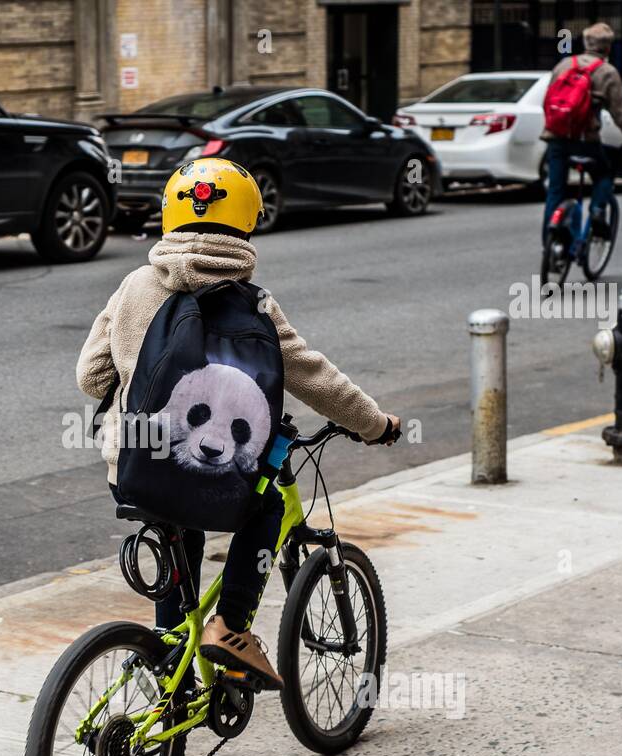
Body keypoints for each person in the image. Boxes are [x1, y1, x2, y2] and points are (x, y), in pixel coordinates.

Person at [76, 157, 400, 690]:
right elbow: (316, 378)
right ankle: (230, 626)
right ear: (249, 220)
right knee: (266, 506)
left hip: (134, 469)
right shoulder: (256, 305)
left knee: (177, 534)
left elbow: (91, 377)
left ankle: (170, 672)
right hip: (214, 477)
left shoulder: (134, 286)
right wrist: (374, 424)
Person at [542, 22, 622, 241]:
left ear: (585, 43)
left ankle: (550, 244)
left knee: (555, 192)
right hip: (585, 141)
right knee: (605, 174)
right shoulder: (607, 72)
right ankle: (598, 211)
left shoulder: (564, 65)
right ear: (608, 48)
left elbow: (548, 101)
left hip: (556, 138)